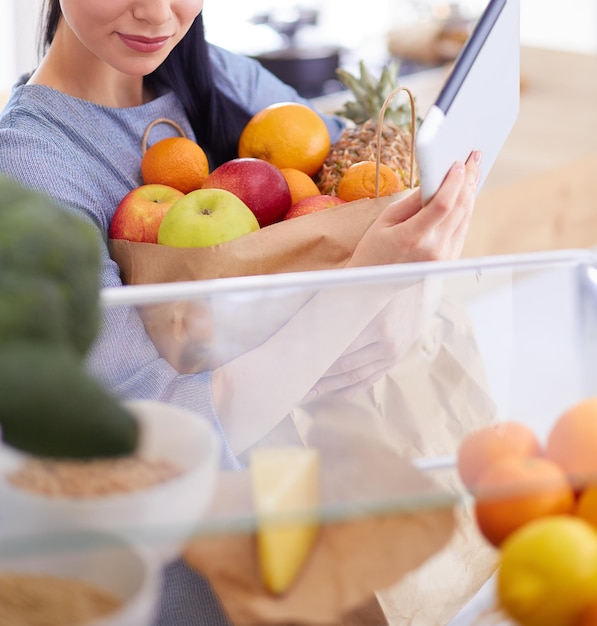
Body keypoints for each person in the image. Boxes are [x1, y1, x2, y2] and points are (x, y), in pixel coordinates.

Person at [0, 1, 481, 623]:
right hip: (201, 591)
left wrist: (419, 276)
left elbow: (367, 195)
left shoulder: (223, 78)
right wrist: (362, 290)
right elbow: (158, 440)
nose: (156, 14)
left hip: (317, 530)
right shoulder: (33, 168)